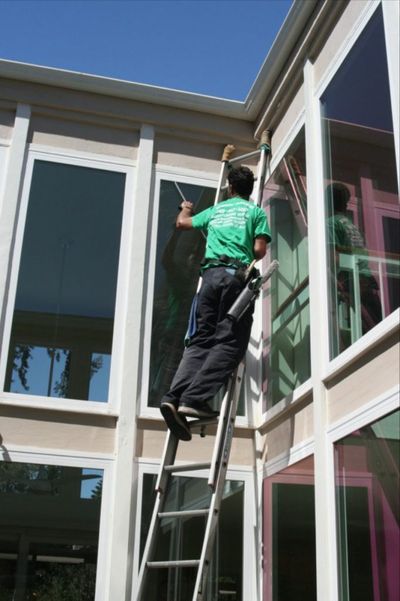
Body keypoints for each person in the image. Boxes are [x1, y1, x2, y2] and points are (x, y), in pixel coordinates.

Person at [160, 166, 271, 441]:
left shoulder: (217, 210)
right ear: (249, 189)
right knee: (230, 342)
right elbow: (259, 251)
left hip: (209, 279)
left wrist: (186, 208)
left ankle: (173, 397)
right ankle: (194, 399)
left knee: (201, 340)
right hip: (235, 279)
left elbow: (182, 224)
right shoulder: (255, 212)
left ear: (230, 188)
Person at [327, 182, 382, 349]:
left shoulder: (331, 223)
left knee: (366, 333)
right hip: (366, 278)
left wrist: (334, 280)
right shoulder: (350, 225)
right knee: (376, 326)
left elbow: (333, 256)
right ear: (343, 204)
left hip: (352, 280)